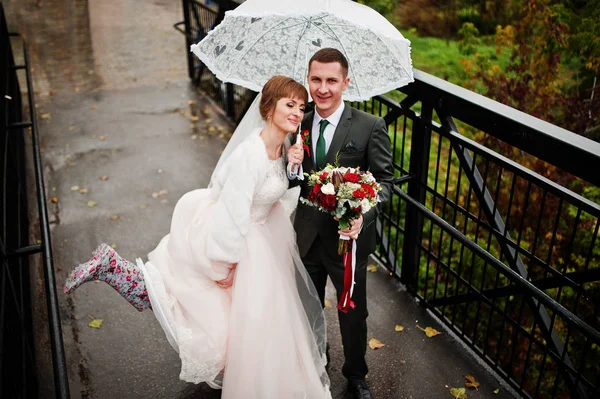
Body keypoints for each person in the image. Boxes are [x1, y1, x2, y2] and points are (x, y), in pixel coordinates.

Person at [64, 76, 332, 399]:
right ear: (268, 106)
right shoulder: (251, 155)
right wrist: (225, 265)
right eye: (289, 105)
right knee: (198, 314)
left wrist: (292, 168)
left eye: (302, 108)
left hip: (261, 238)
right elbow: (232, 214)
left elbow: (276, 193)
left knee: (243, 323)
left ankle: (115, 269)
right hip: (233, 241)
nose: (297, 113)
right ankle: (115, 270)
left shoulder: (287, 147)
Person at [287, 48, 394, 399]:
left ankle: (356, 375)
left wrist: (363, 214)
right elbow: (291, 182)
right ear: (308, 79)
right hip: (306, 237)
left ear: (345, 82)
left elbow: (385, 184)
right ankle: (318, 361)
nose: (323, 88)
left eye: (332, 80)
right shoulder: (297, 122)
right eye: (316, 79)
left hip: (348, 242)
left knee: (353, 313)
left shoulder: (369, 126)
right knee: (308, 307)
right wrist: (291, 165)